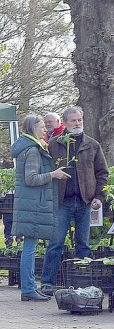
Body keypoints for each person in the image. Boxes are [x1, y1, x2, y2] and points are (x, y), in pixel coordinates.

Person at [40, 107, 109, 296]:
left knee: (83, 244)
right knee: (55, 243)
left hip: (85, 201)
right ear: (65, 123)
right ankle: (47, 283)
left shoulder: (92, 145)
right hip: (61, 202)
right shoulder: (54, 144)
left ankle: (83, 283)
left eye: (80, 120)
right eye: (73, 121)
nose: (77, 123)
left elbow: (102, 173)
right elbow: (45, 171)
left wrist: (98, 197)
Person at [12, 114, 70, 301]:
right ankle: (28, 288)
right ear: (33, 129)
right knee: (29, 247)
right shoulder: (32, 151)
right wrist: (53, 174)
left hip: (31, 204)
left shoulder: (30, 148)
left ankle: (29, 288)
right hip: (33, 205)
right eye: (42, 127)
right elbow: (31, 178)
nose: (46, 130)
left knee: (30, 246)